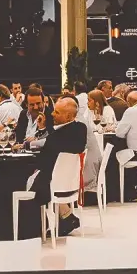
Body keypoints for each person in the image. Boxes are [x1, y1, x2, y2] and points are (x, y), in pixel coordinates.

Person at [30, 96, 87, 237]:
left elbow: (42, 161)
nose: (52, 114)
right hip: (70, 182)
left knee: (26, 178)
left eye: (56, 112)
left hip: (50, 184)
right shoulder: (80, 129)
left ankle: (30, 226)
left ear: (68, 116)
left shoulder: (57, 136)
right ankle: (66, 217)